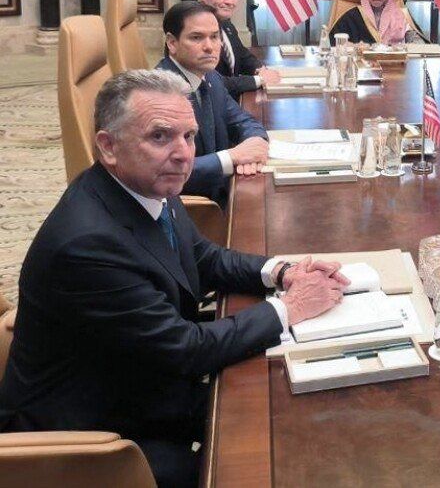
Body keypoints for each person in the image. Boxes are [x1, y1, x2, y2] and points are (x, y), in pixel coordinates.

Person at [0, 70, 348, 487]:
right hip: (97, 439)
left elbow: (202, 256)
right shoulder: (88, 244)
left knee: (306, 400)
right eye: (160, 136)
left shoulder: (141, 186)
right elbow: (186, 349)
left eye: (189, 136)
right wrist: (290, 308)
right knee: (278, 442)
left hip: (142, 377)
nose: (183, 154)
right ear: (108, 146)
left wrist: (281, 272)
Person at [156, 1, 270, 205]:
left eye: (215, 37)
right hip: (194, 208)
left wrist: (256, 142)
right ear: (172, 43)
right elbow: (163, 170)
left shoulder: (211, 77)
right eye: (196, 37)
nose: (209, 47)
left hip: (226, 191)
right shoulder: (160, 95)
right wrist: (231, 158)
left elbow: (242, 120)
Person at [196, 0, 282, 100]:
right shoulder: (192, 30)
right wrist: (259, 80)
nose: (229, 1)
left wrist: (260, 69)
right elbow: (208, 82)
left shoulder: (226, 25)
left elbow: (243, 57)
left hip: (231, 104)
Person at [329, 0, 423, 45]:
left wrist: (413, 43)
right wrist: (352, 46)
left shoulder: (401, 15)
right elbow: (334, 43)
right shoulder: (351, 16)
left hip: (394, 63)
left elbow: (418, 43)